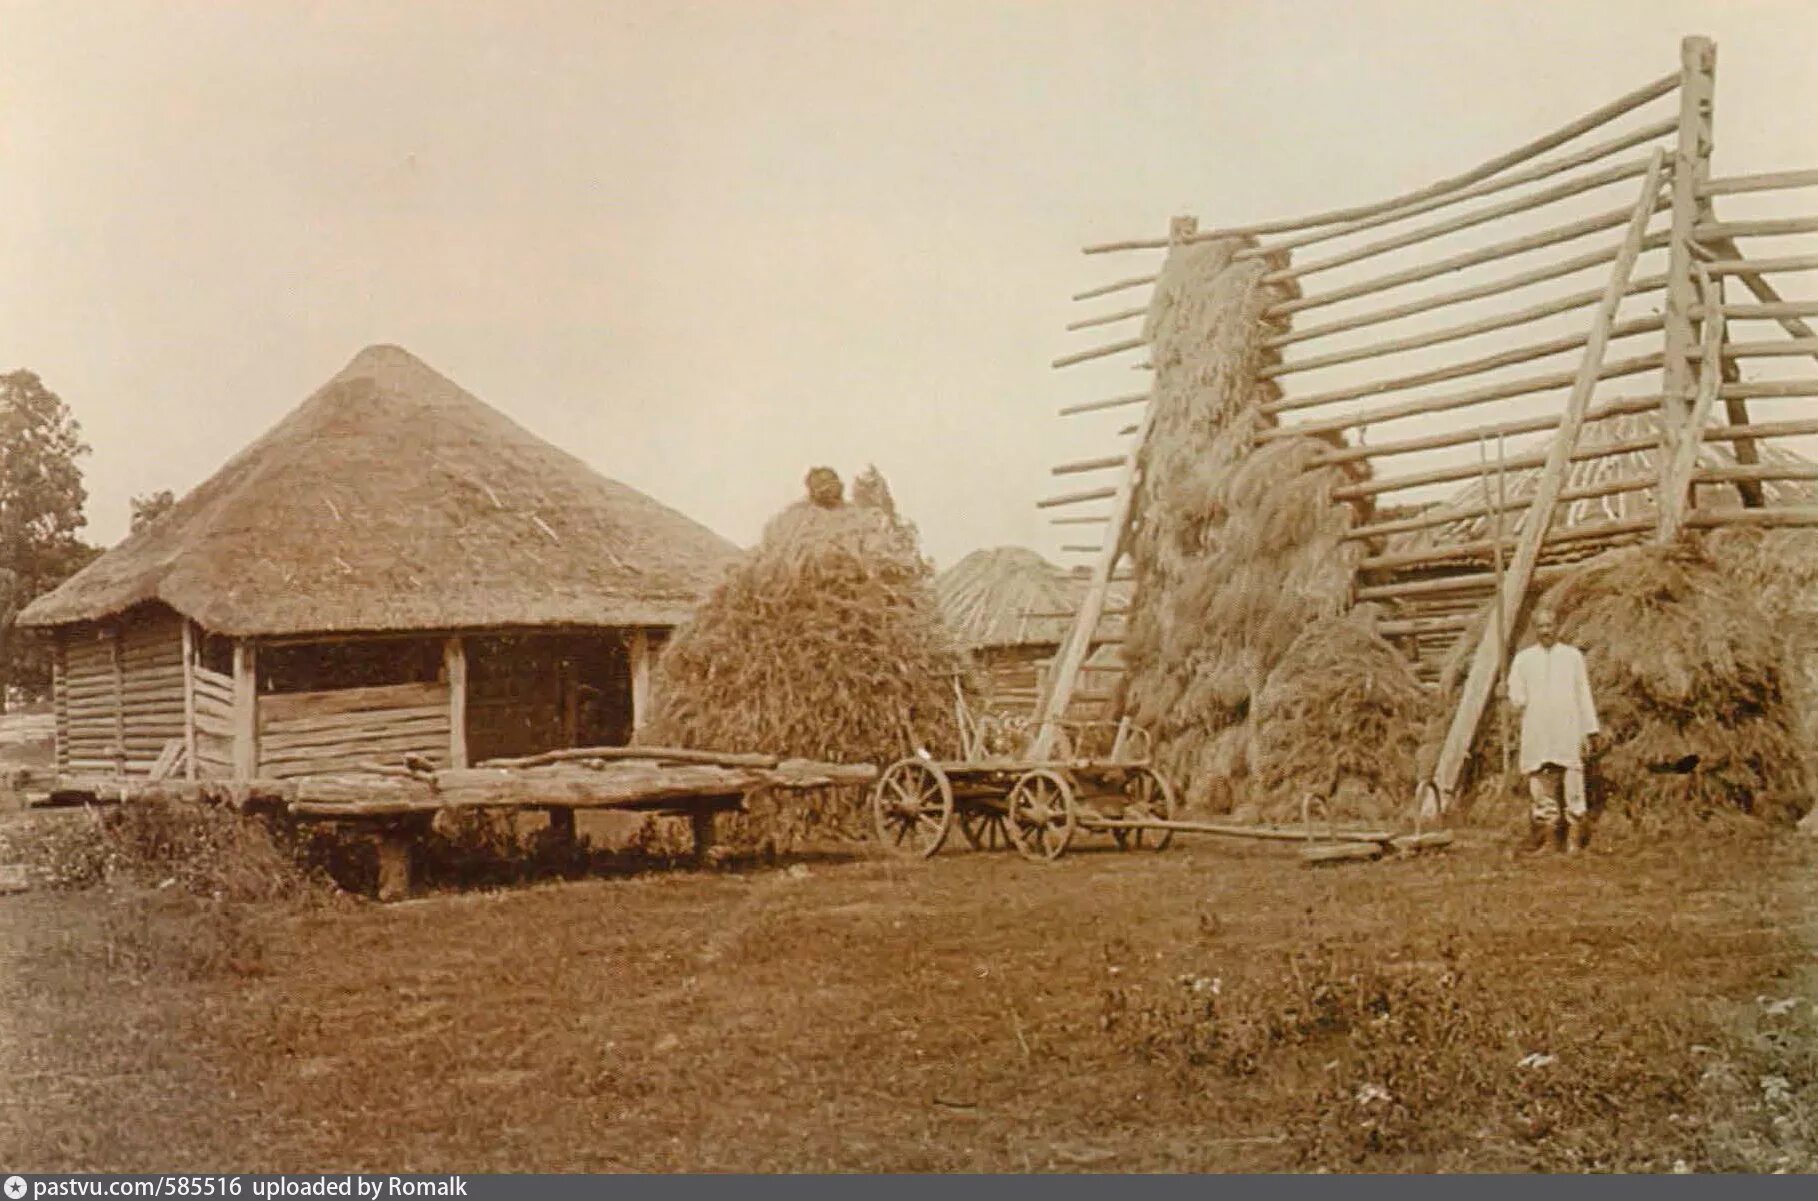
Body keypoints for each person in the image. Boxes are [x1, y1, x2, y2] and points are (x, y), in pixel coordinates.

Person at [1505, 605, 1602, 854]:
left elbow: (1583, 694)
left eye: (1550, 625)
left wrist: (1589, 729)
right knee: (1540, 784)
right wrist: (1513, 697)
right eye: (1541, 626)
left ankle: (1574, 838)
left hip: (1567, 727)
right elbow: (1516, 693)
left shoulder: (1572, 657)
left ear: (1557, 627)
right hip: (1537, 728)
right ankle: (1548, 838)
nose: (1546, 630)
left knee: (1573, 781)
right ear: (1535, 629)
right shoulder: (1524, 659)